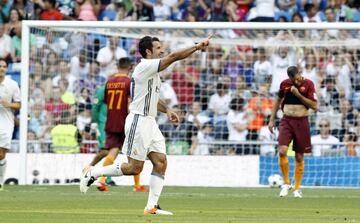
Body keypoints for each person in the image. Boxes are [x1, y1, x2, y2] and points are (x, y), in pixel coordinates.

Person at [80, 34, 212, 215]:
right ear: (148, 52)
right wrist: (197, 47)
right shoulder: (145, 66)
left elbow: (152, 99)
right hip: (138, 120)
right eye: (158, 48)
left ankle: (151, 206)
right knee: (134, 168)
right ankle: (94, 173)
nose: (162, 50)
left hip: (150, 121)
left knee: (161, 161)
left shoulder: (152, 72)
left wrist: (168, 111)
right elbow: (173, 57)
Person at [86, 57, 148, 192]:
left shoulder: (109, 83)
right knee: (135, 152)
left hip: (111, 120)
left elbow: (107, 102)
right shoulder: (129, 82)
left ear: (117, 66)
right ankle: (137, 185)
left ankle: (102, 181)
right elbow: (130, 102)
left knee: (113, 150)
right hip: (125, 120)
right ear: (130, 67)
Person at [268, 66, 317, 198]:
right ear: (290, 78)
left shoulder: (309, 84)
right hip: (286, 121)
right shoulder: (284, 84)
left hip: (302, 122)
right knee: (282, 151)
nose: (297, 81)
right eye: (294, 79)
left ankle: (296, 188)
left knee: (299, 156)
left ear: (300, 73)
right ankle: (287, 183)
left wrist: (298, 94)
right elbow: (278, 100)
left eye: (298, 77)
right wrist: (271, 120)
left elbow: (314, 105)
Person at [0, 59, 21, 191]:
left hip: (6, 122)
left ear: (7, 69)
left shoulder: (12, 84)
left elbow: (19, 104)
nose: (1, 68)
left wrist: (8, 104)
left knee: (1, 155)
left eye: (4, 66)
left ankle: (0, 181)